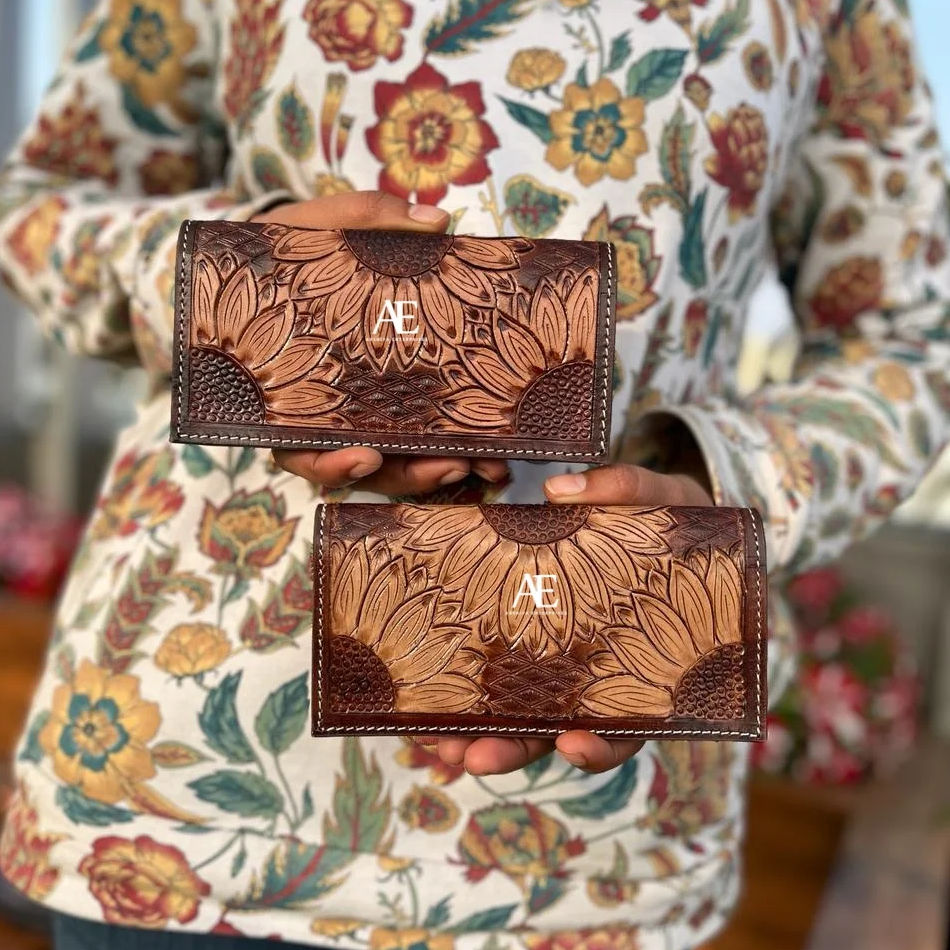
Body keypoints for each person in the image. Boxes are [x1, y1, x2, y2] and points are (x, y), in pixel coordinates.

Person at [0, 0, 947, 947]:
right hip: (185, 786)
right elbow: (42, 201)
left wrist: (718, 483)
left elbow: (910, 339)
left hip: (591, 836)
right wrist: (242, 283)